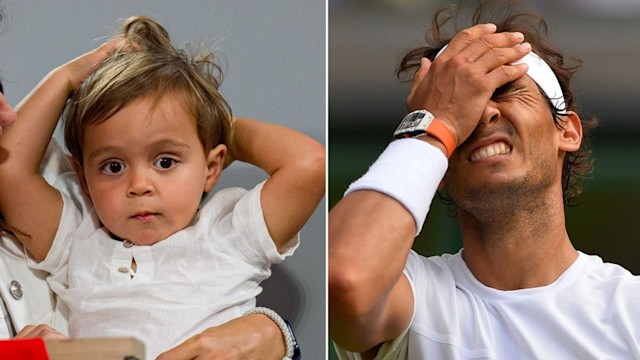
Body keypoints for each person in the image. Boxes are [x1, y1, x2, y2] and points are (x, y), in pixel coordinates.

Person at [0, 14, 323, 360]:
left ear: (213, 166)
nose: (139, 185)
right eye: (113, 166)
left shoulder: (229, 234)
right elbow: (10, 172)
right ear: (83, 178)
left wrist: (219, 129)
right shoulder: (77, 238)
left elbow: (309, 164)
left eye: (165, 162)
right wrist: (64, 78)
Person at [329, 0, 640, 359]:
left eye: (506, 91)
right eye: (461, 109)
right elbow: (344, 278)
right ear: (437, 168)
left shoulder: (630, 309)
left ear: (567, 131)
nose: (482, 114)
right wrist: (432, 125)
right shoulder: (414, 294)